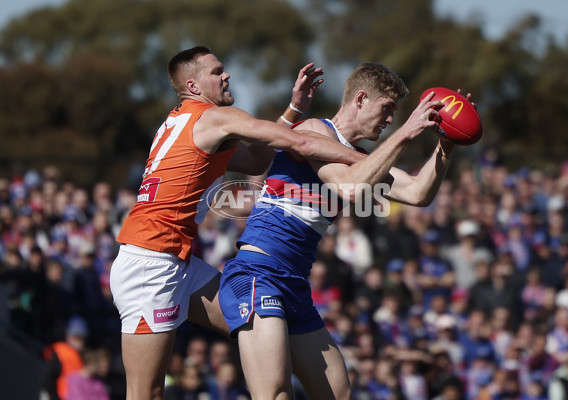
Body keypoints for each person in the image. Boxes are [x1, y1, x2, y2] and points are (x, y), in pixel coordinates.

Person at [109, 45, 365, 400]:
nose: (226, 75)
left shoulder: (186, 120)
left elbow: (256, 159)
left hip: (177, 263)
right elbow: (302, 142)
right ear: (193, 86)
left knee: (261, 321)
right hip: (150, 267)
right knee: (146, 393)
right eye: (216, 72)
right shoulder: (213, 118)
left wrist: (294, 109)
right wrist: (366, 163)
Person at [219, 62, 470, 399]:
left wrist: (446, 144)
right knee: (275, 395)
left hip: (295, 284)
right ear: (361, 99)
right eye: (387, 108)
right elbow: (349, 187)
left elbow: (417, 193)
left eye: (395, 114)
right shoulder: (311, 130)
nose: (391, 120)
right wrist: (406, 133)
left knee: (338, 394)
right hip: (257, 273)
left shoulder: (362, 158)